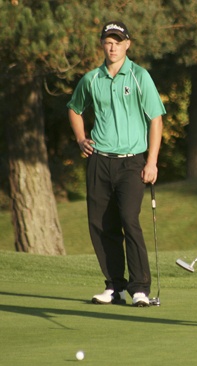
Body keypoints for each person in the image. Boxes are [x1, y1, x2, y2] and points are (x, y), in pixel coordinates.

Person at [67, 21, 165, 307]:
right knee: (100, 224)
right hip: (99, 161)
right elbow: (74, 108)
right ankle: (114, 287)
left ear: (127, 44)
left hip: (132, 163)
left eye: (117, 41)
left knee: (128, 220)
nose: (112, 47)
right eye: (108, 41)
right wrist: (80, 138)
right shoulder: (91, 79)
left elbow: (155, 119)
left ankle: (139, 289)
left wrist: (153, 162)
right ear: (102, 44)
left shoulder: (139, 76)